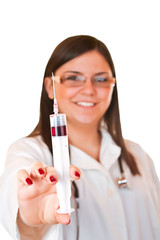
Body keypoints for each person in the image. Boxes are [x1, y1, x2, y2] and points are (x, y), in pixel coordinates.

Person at [0, 35, 160, 240]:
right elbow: (15, 193)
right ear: (50, 87)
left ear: (113, 86)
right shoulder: (30, 152)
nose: (89, 90)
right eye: (73, 78)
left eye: (101, 79)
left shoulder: (137, 155)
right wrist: (31, 218)